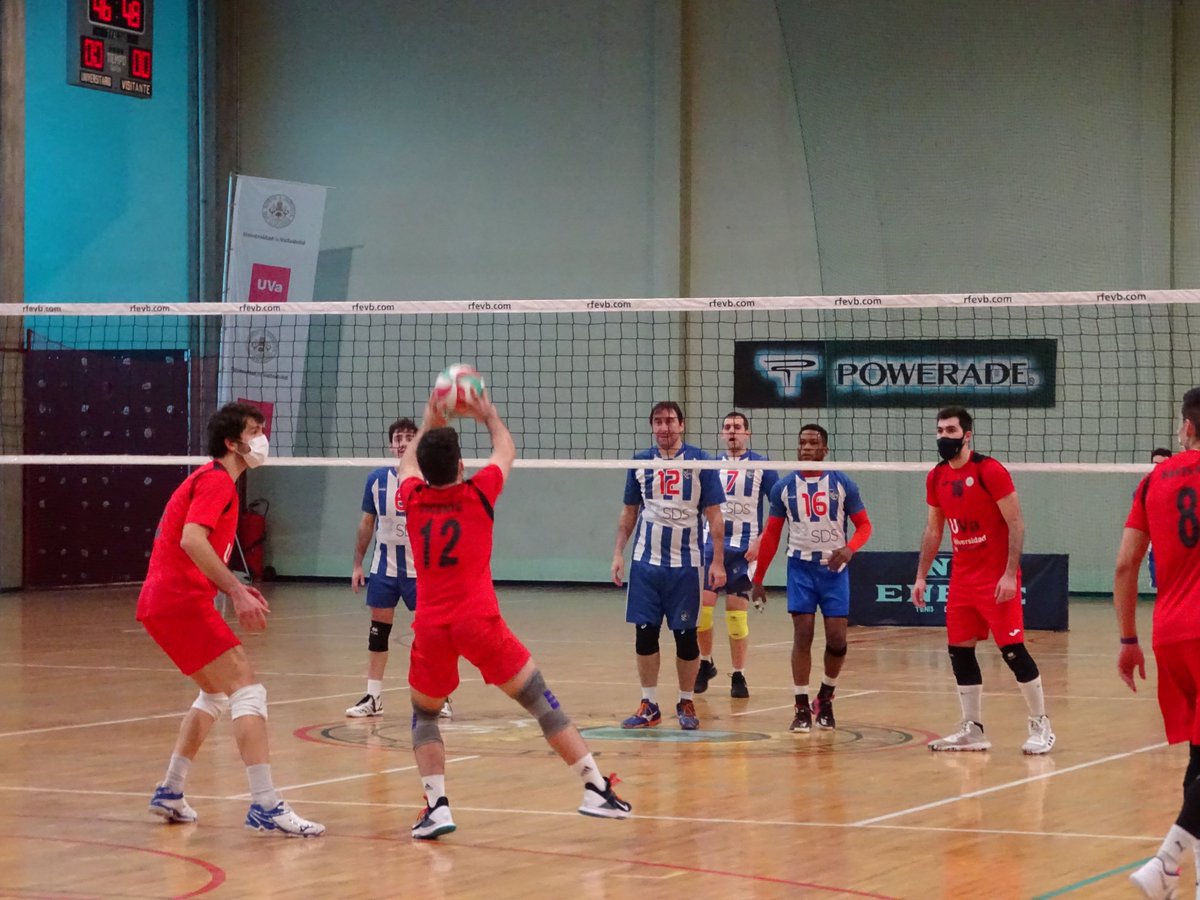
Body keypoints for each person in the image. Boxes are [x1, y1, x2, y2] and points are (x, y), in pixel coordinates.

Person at [400, 392, 631, 839]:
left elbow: (405, 466)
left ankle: (437, 806)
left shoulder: (411, 499)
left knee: (424, 716)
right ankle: (596, 788)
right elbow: (505, 448)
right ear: (461, 467)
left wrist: (430, 420)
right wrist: (487, 413)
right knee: (540, 701)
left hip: (430, 627)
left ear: (425, 474)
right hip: (478, 621)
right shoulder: (478, 493)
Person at [137, 402, 324, 836]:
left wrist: (233, 586)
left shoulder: (216, 482)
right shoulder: (216, 481)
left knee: (216, 694)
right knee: (247, 687)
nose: (262, 437)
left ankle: (171, 790)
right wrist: (236, 589)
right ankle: (266, 804)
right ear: (231, 442)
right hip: (177, 601)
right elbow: (191, 540)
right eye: (254, 430)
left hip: (165, 602)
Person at [912, 406, 1054, 755]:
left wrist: (1009, 574)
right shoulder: (936, 477)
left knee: (1012, 650)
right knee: (959, 651)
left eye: (951, 431)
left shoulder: (989, 470)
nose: (944, 437)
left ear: (967, 435)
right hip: (962, 577)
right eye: (940, 431)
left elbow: (1017, 523)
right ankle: (972, 729)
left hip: (995, 577)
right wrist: (920, 576)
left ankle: (1041, 725)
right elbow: (934, 530)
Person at [1118, 390, 1200, 898]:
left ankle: (1181, 879)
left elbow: (1126, 565)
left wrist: (1127, 639)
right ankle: (1166, 861)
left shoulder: (1153, 480)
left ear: (1188, 427)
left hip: (1169, 632)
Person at [611, 401, 726, 731]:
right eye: (658, 422)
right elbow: (629, 512)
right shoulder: (640, 462)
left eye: (670, 421)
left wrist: (717, 561)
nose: (664, 427)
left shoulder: (700, 461)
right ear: (652, 426)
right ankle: (649, 704)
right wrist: (618, 553)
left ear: (682, 425)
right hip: (646, 564)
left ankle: (686, 700)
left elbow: (715, 515)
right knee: (645, 635)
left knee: (686, 637)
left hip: (686, 565)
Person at [750, 424, 872, 732]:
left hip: (834, 570)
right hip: (800, 569)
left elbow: (865, 526)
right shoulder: (784, 488)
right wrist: (759, 578)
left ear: (824, 450)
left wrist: (850, 549)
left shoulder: (843, 483)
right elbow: (772, 535)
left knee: (838, 640)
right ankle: (801, 706)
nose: (806, 448)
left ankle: (826, 697)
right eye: (802, 442)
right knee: (802, 634)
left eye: (813, 443)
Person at [347, 418, 451, 720]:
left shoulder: (431, 478)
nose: (403, 442)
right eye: (398, 438)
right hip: (384, 569)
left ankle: (440, 696)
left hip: (423, 572)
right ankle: (373, 697)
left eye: (409, 437)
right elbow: (367, 523)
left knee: (431, 635)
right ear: (391, 444)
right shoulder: (377, 479)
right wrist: (357, 564)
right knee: (378, 633)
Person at [694, 412, 778, 699]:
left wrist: (761, 541)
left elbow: (778, 510)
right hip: (711, 547)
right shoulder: (710, 465)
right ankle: (705, 663)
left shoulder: (762, 465)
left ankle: (739, 674)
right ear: (721, 434)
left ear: (747, 433)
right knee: (702, 612)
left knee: (735, 614)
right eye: (728, 427)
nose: (733, 432)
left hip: (745, 549)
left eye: (738, 427)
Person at [1147, 447, 1174, 591]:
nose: (1159, 468)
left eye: (1163, 464)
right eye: (1156, 464)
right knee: (1162, 590)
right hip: (1158, 547)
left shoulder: (1183, 486)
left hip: (1182, 547)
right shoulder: (1144, 490)